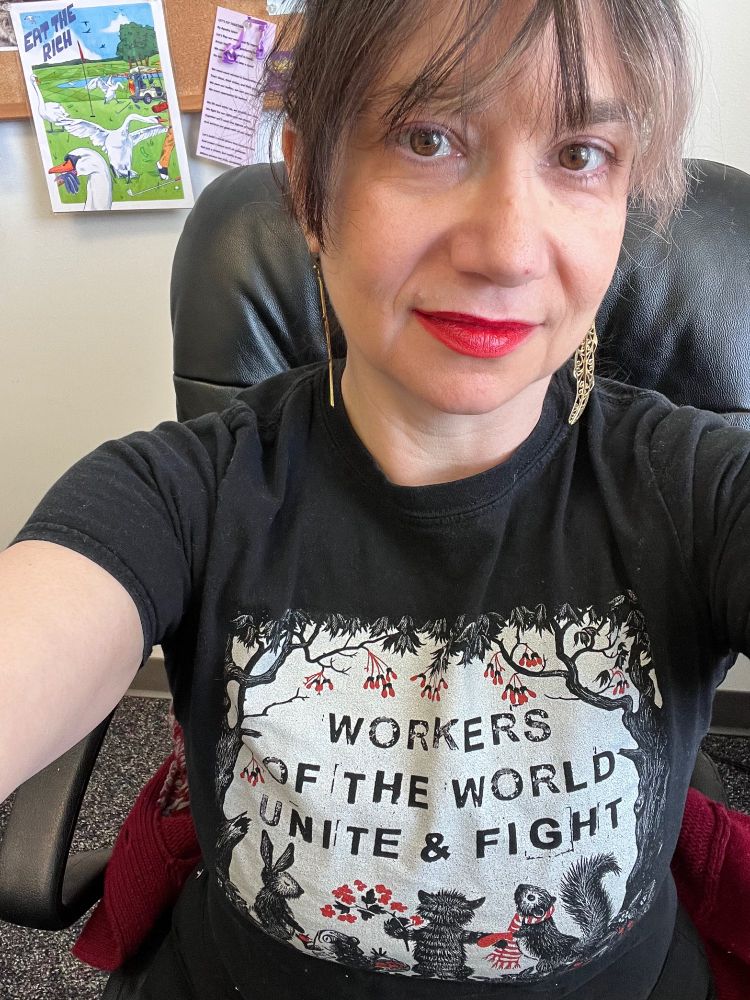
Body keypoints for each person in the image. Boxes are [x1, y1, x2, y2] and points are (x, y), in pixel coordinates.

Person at [0, 1, 741, 997]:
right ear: (311, 185)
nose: (510, 250)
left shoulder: (698, 486)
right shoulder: (182, 492)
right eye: (428, 138)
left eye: (579, 153)